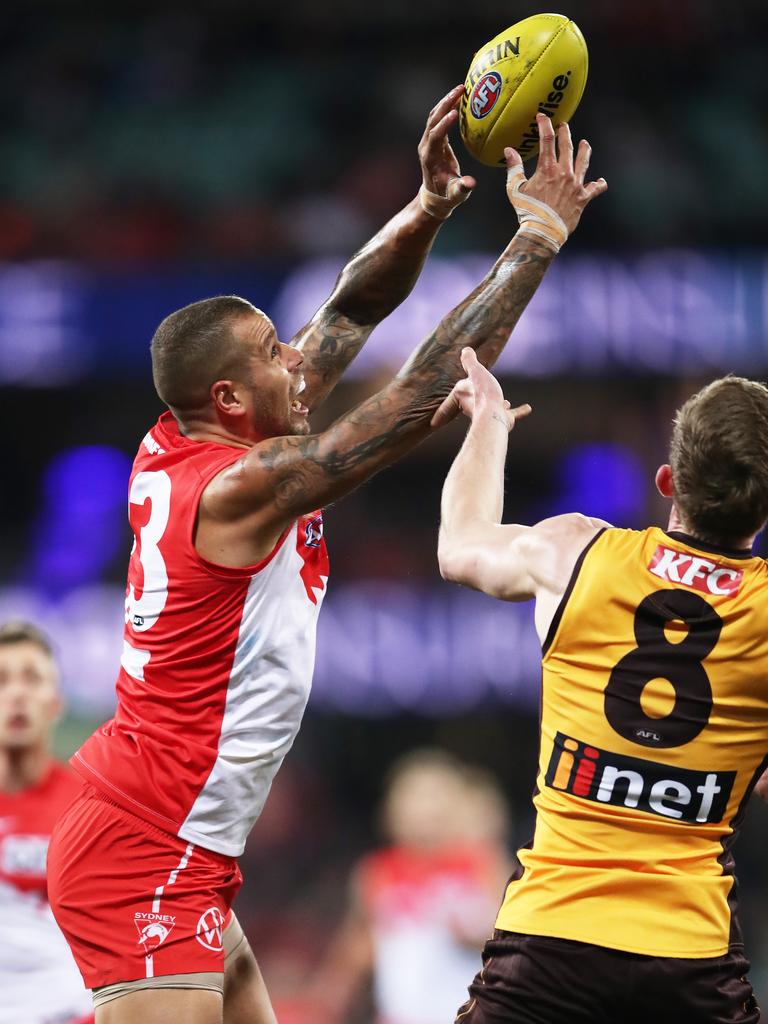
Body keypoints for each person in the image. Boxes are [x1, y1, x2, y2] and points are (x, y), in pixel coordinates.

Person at [47, 91, 606, 1024]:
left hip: (173, 835)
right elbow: (424, 386)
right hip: (145, 847)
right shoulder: (233, 491)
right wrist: (534, 242)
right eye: (274, 355)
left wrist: (427, 208)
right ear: (228, 398)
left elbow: (351, 304)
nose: (298, 362)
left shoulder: (193, 439)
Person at [437, 348, 768, 1023]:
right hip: (691, 962)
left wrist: (489, 424)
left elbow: (460, 544)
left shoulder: (574, 551)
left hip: (549, 939)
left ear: (668, 480)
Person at [310, 750, 512, 1024]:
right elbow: (357, 947)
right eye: (413, 801)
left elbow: (516, 944)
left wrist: (476, 936)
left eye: (433, 802)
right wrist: (328, 998)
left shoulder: (482, 864)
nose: (422, 815)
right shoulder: (377, 872)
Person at [0, 620, 93, 1024]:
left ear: (55, 703)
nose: (17, 694)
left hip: (71, 1013)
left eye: (32, 679)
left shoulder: (89, 809)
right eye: (2, 680)